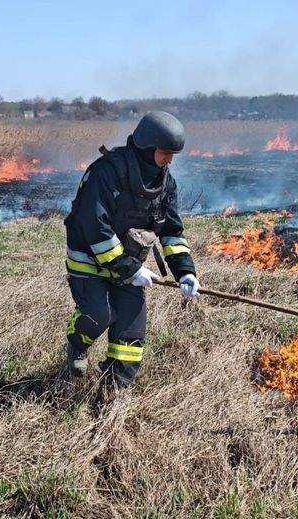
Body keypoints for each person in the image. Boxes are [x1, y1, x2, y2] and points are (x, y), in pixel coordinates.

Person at [63, 111, 201, 387]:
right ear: (146, 146)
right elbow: (95, 227)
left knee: (131, 334)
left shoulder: (165, 183)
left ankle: (115, 392)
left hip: (128, 263)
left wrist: (185, 272)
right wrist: (131, 268)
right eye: (164, 153)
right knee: (99, 315)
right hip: (89, 258)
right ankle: (77, 344)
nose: (169, 160)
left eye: (173, 154)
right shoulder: (105, 172)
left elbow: (172, 231)